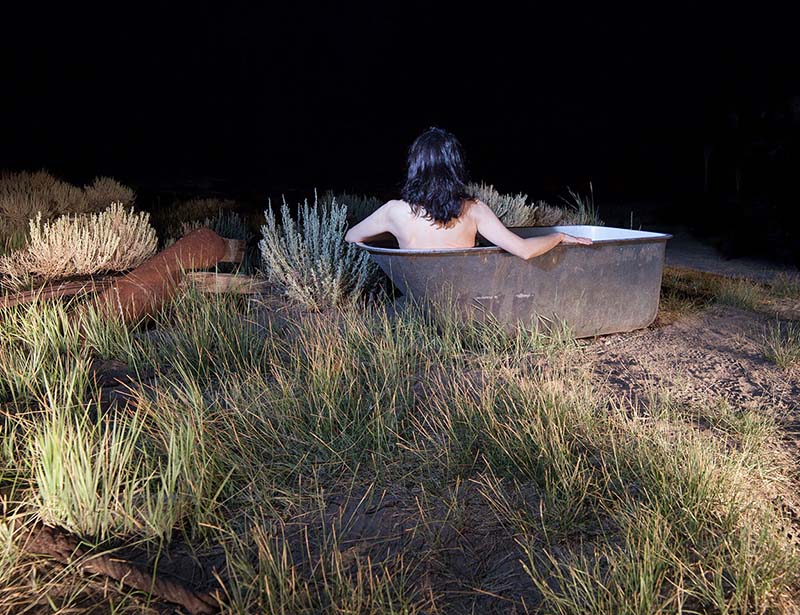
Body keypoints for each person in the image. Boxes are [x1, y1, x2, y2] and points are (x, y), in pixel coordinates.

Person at [344, 127, 592, 258]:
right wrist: (558, 237)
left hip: (421, 303)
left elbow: (352, 237)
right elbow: (524, 251)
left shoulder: (393, 211)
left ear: (415, 167)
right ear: (455, 167)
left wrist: (393, 235)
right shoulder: (473, 210)